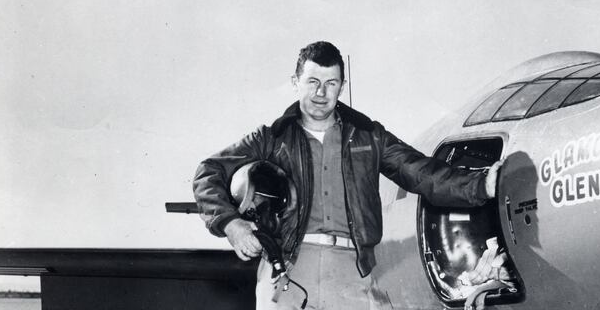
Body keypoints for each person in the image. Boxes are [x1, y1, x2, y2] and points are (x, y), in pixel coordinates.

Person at [193, 41, 502, 309]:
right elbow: (209, 172)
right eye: (312, 81)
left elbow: (421, 173)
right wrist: (231, 224)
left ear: (342, 85)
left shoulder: (370, 136)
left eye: (331, 83)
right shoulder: (271, 138)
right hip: (287, 268)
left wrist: (480, 185)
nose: (321, 92)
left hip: (351, 274)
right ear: (295, 82)